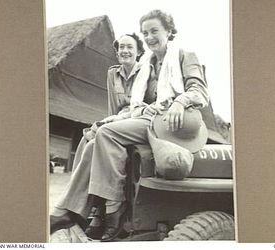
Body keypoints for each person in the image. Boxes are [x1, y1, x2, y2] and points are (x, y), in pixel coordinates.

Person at [52, 9, 209, 242]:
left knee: (107, 133)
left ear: (169, 31)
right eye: (145, 33)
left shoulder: (185, 56)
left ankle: (112, 210)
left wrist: (179, 101)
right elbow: (139, 105)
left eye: (155, 31)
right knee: (93, 141)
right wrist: (128, 114)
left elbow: (199, 91)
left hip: (173, 123)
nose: (149, 37)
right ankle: (73, 209)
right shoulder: (146, 64)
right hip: (150, 119)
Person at [50, 33, 145, 237]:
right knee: (89, 142)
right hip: (116, 124)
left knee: (100, 139)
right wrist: (105, 123)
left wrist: (115, 123)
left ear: (139, 51)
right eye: (121, 47)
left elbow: (147, 107)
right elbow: (112, 108)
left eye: (130, 47)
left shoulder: (147, 71)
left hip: (136, 121)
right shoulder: (113, 74)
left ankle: (94, 210)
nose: (125, 51)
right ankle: (90, 211)